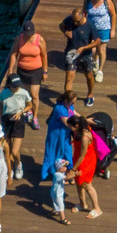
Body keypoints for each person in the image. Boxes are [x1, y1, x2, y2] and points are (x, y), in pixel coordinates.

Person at [43, 92, 78, 224]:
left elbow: (75, 113)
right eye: (72, 102)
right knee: (54, 153)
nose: (73, 104)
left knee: (67, 153)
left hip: (65, 136)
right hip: (56, 135)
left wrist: (85, 120)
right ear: (65, 100)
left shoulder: (70, 107)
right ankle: (53, 171)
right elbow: (67, 122)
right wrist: (77, 127)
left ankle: (68, 172)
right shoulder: (58, 108)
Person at [5, 20, 48, 122]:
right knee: (25, 93)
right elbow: (14, 54)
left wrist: (45, 71)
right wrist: (10, 69)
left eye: (30, 33)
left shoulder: (39, 39)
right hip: (22, 70)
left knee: (34, 95)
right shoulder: (19, 39)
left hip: (36, 70)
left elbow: (44, 55)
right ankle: (29, 111)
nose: (28, 35)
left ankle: (35, 117)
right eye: (26, 33)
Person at [0, 73, 33, 181]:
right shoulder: (4, 93)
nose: (17, 88)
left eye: (18, 85)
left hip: (18, 120)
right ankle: (9, 168)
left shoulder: (23, 93)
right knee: (5, 148)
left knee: (14, 151)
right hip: (6, 120)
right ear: (9, 85)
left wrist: (21, 112)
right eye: (15, 86)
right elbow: (1, 106)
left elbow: (30, 105)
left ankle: (18, 165)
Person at [59, 7, 99, 106]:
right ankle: (68, 100)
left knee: (89, 75)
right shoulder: (69, 19)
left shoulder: (90, 25)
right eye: (74, 21)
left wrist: (84, 48)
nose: (75, 24)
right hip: (71, 53)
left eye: (77, 21)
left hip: (85, 55)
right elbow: (61, 25)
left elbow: (98, 41)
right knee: (69, 77)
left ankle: (90, 95)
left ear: (83, 16)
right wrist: (65, 32)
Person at [66, 114, 102, 216]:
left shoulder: (85, 137)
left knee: (87, 185)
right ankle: (82, 204)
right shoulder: (79, 131)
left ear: (76, 126)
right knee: (78, 182)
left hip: (86, 162)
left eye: (70, 127)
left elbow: (82, 156)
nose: (70, 129)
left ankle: (97, 208)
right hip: (78, 160)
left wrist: (73, 170)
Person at [83, 0, 116, 86]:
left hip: (104, 28)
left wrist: (113, 30)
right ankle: (95, 60)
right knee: (92, 49)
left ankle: (100, 71)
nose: (95, 0)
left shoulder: (107, 0)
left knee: (101, 50)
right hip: (91, 27)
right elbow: (84, 12)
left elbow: (113, 15)